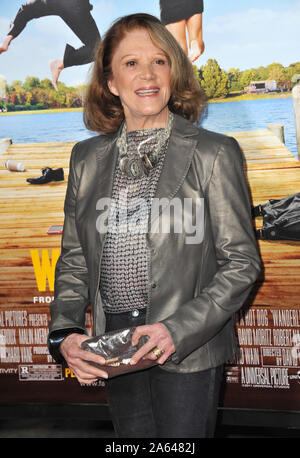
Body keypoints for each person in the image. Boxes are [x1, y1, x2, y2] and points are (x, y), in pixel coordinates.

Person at [47, 13, 261, 438]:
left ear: (173, 72)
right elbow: (74, 261)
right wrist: (65, 334)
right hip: (114, 343)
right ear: (110, 81)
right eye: (130, 63)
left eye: (159, 61)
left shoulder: (214, 153)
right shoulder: (85, 158)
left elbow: (242, 263)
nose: (147, 74)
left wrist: (175, 330)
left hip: (187, 347)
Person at [0, 0, 100, 90]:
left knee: (26, 10)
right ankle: (60, 63)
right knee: (96, 49)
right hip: (74, 4)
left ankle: (6, 40)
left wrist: (9, 35)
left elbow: (27, 9)